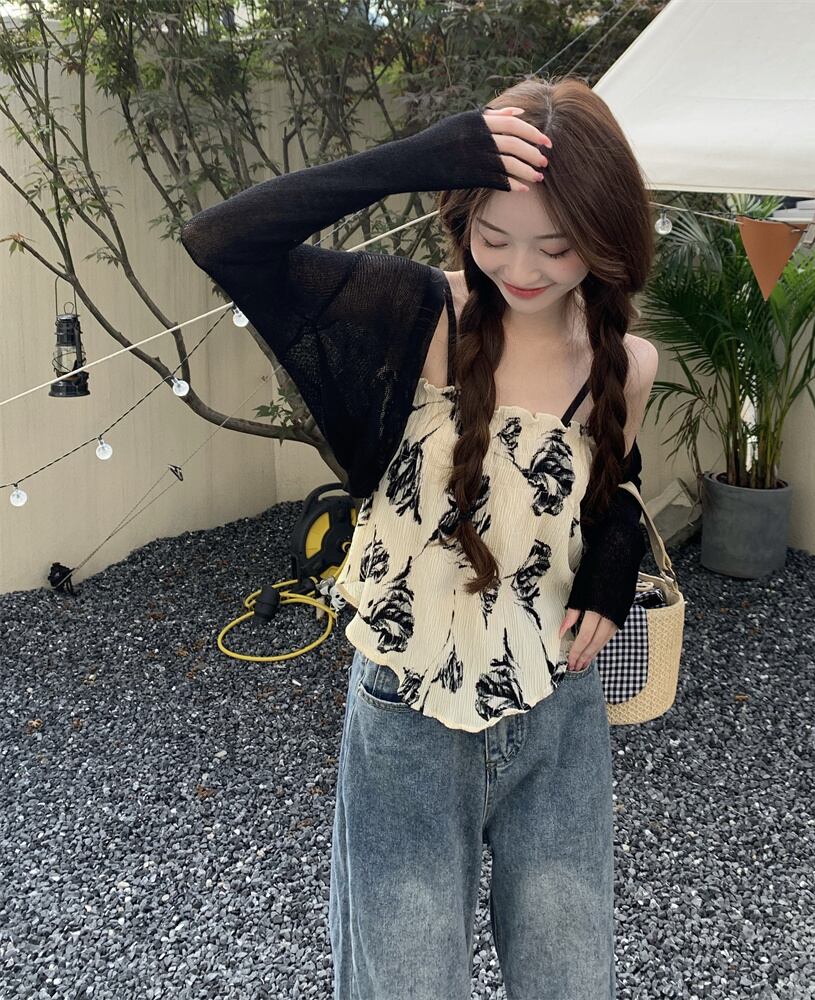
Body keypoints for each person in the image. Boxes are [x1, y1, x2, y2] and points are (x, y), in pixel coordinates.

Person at [181, 75, 657, 1000]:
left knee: (571, 978)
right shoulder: (415, 315)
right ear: (462, 218)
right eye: (494, 236)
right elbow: (224, 239)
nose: (522, 268)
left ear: (606, 238)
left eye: (557, 245)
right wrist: (421, 156)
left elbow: (610, 488)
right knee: (403, 980)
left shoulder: (625, 362)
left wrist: (611, 568)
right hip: (407, 710)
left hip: (555, 705)